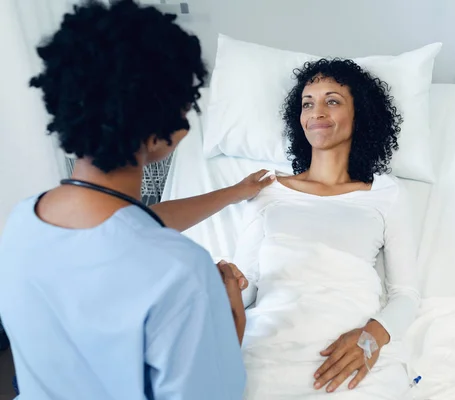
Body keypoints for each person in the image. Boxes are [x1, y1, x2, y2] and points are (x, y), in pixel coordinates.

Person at [0, 1, 274, 399]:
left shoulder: (23, 221)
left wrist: (234, 192)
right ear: (156, 136)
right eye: (185, 107)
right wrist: (229, 310)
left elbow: (130, 226)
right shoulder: (180, 272)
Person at [233, 59, 421, 399]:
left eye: (332, 101)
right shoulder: (267, 190)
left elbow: (406, 295)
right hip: (269, 344)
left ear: (359, 115)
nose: (316, 112)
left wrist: (371, 338)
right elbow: (244, 285)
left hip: (353, 348)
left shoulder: (387, 195)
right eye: (308, 103)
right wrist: (222, 288)